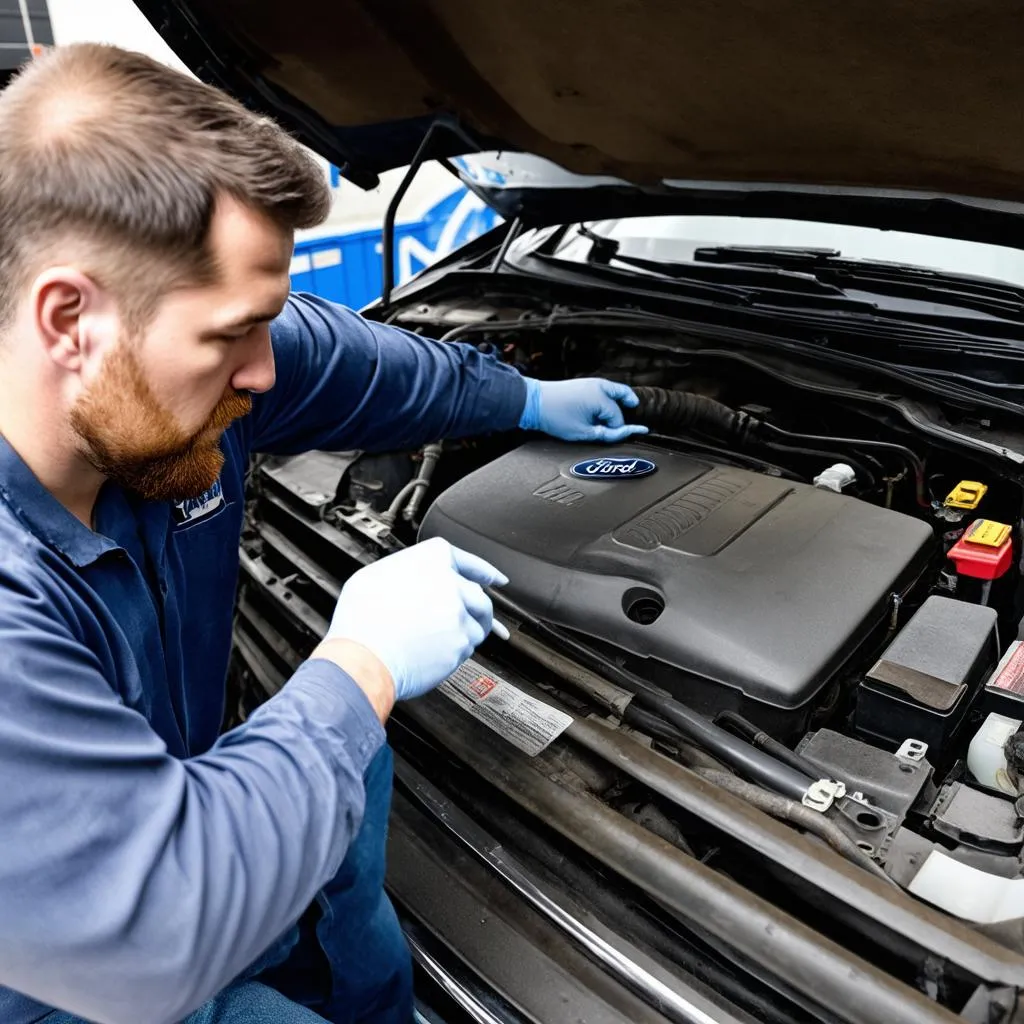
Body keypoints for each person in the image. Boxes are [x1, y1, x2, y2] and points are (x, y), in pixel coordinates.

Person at [0, 43, 648, 1024]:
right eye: (230, 335)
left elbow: (347, 357)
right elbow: (150, 936)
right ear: (68, 318)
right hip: (74, 973)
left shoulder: (160, 363)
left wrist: (523, 397)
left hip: (193, 793)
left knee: (354, 850)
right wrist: (360, 665)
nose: (262, 373)